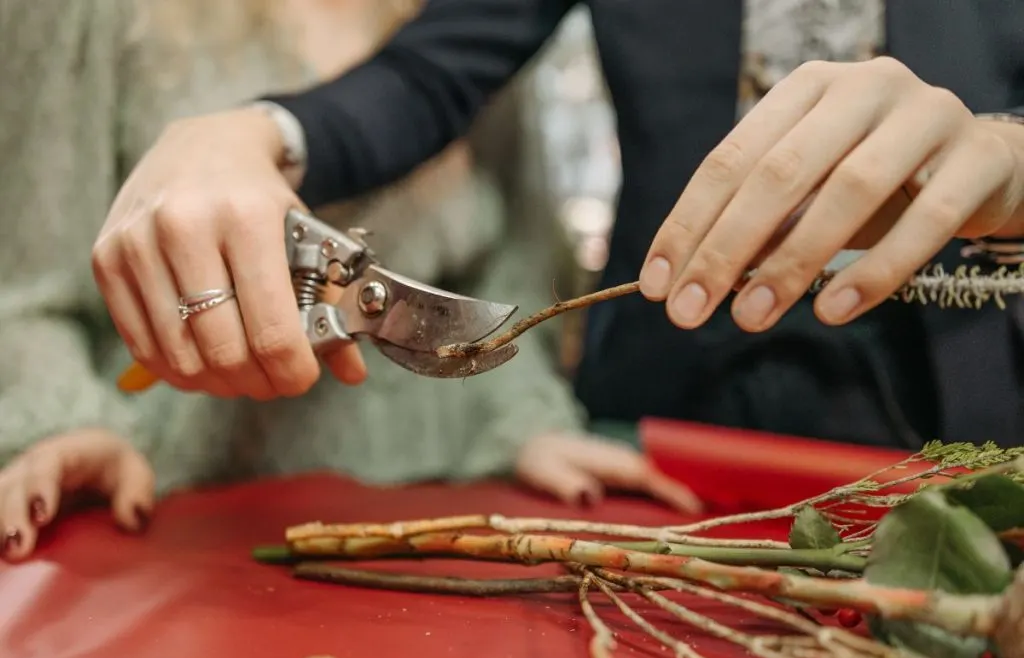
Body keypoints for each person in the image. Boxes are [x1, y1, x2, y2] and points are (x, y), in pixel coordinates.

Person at [91, 0, 1024, 454]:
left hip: (968, 428)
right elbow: (430, 74)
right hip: (656, 420)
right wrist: (255, 133)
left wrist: (1010, 173)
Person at [0, 0, 699, 563]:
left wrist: (526, 424)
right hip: (168, 513)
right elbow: (24, 292)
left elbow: (506, 280)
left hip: (438, 509)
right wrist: (68, 423)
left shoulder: (476, 26)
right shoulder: (81, 12)